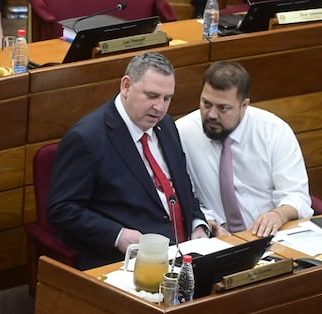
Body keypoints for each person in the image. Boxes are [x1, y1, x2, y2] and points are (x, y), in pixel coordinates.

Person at [47, 52, 208, 270]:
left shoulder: (167, 126)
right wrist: (118, 235)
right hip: (127, 261)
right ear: (126, 86)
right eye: (152, 96)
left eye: (167, 98)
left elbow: (181, 187)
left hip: (185, 251)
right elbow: (62, 209)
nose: (160, 107)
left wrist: (198, 224)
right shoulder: (87, 138)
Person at [176, 61, 312, 238]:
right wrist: (204, 222)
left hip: (271, 236)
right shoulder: (182, 133)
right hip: (215, 241)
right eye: (206, 103)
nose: (212, 115)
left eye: (223, 108)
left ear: (244, 105)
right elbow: (182, 198)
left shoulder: (273, 131)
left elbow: (296, 196)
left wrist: (278, 215)